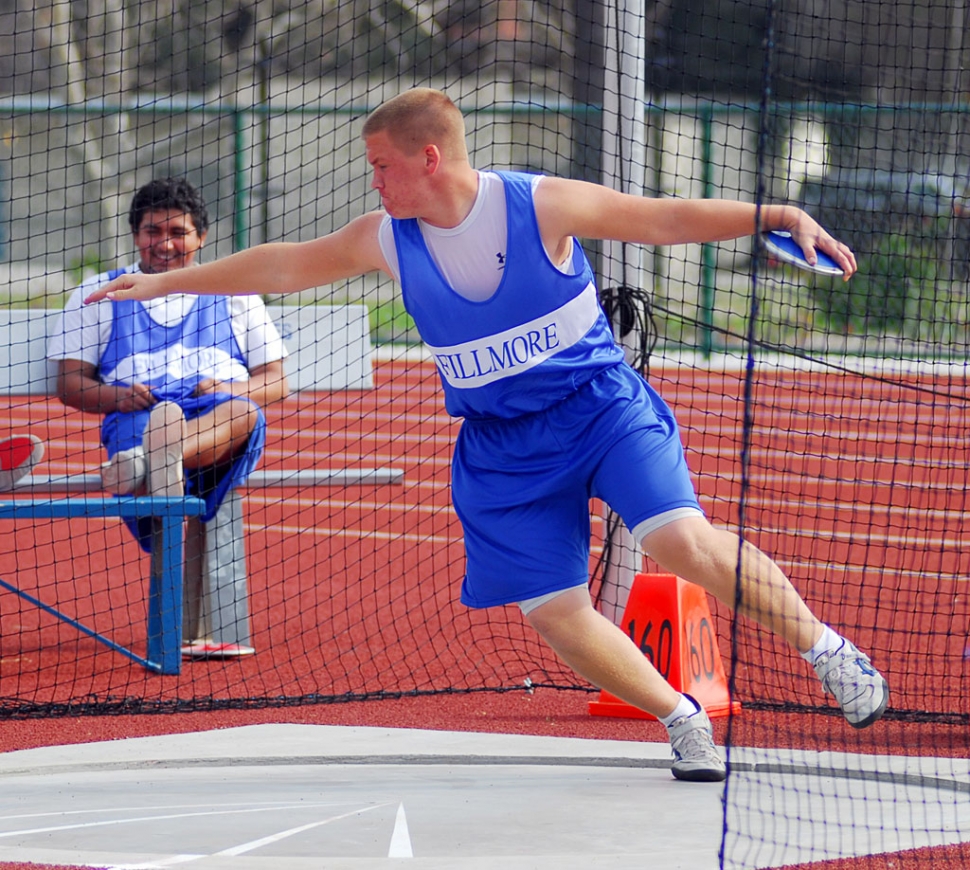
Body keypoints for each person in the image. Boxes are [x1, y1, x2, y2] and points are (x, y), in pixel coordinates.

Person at [85, 89, 889, 778]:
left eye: (381, 166)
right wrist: (162, 281)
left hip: (600, 408)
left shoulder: (540, 204)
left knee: (681, 541)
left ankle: (828, 651)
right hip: (502, 448)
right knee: (552, 607)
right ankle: (680, 717)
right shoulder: (384, 239)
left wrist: (776, 214)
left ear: (428, 158)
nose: (373, 180)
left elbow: (662, 220)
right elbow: (283, 264)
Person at [51, 177, 290, 659]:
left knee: (244, 412)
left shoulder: (235, 290)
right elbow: (71, 384)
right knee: (168, 479)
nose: (164, 243)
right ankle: (155, 458)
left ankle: (150, 461)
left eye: (177, 232)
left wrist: (228, 387)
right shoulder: (100, 293)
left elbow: (275, 382)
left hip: (216, 417)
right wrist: (116, 397)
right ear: (135, 236)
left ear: (201, 237)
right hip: (139, 413)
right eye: (151, 231)